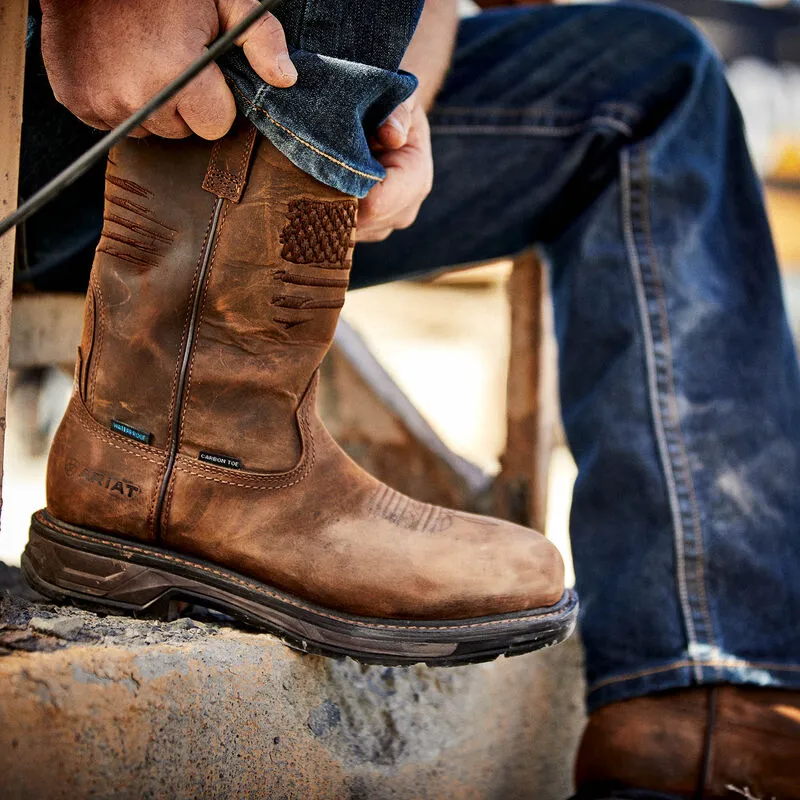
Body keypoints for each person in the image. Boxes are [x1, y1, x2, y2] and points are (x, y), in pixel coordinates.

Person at [17, 0, 800, 796]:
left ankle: (701, 712)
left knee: (648, 78)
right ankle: (207, 460)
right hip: (51, 87)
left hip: (221, 98)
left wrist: (400, 97)